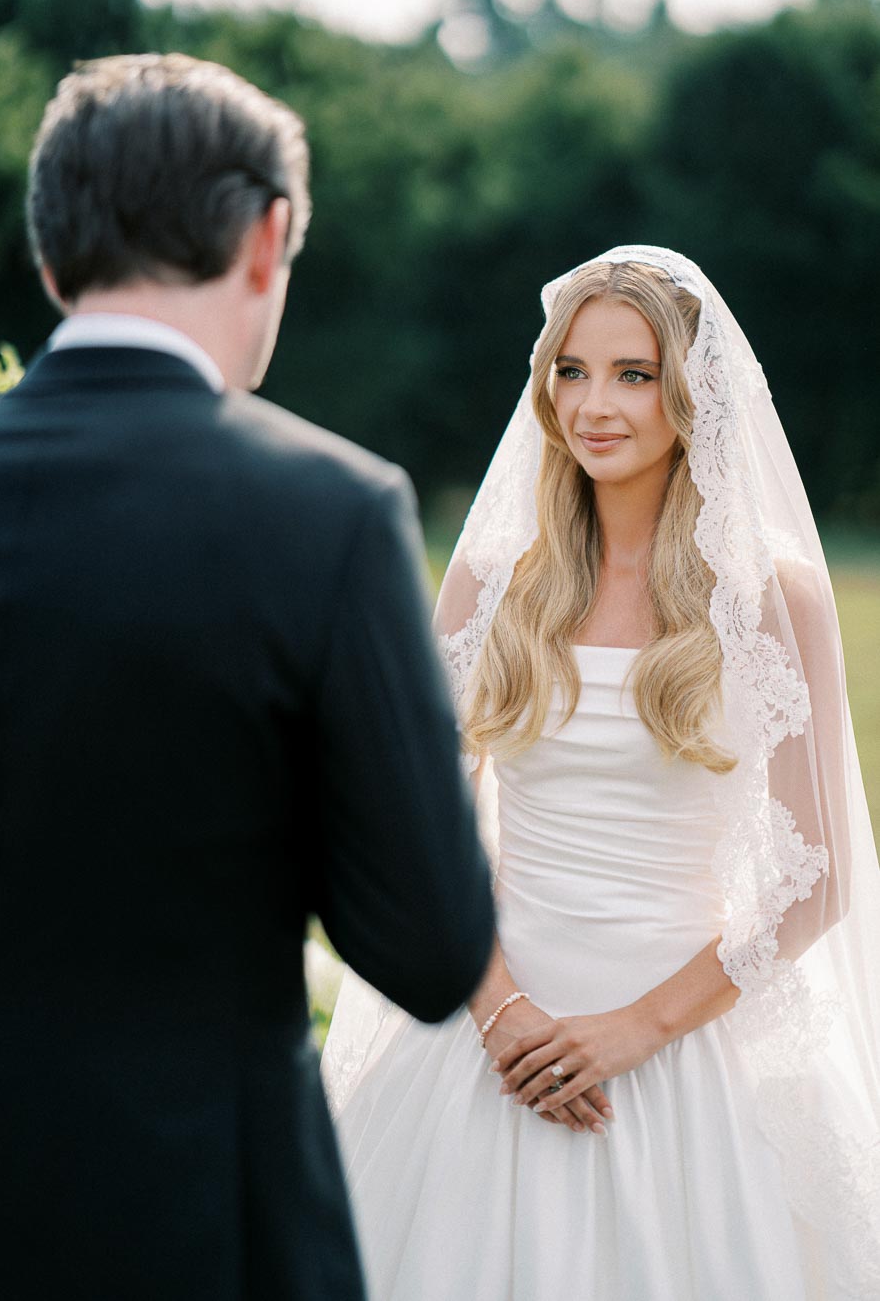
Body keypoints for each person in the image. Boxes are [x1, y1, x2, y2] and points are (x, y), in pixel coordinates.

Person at [0, 53, 495, 1301]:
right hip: (207, 1217)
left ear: (53, 261)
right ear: (267, 241)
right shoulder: (326, 513)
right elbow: (432, 948)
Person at [322, 246, 880, 1299]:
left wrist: (636, 1030)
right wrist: (499, 1013)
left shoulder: (772, 599)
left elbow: (819, 880)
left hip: (685, 1042)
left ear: (690, 391)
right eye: (571, 371)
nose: (595, 403)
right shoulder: (496, 582)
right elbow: (415, 826)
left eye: (632, 373)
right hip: (495, 1034)